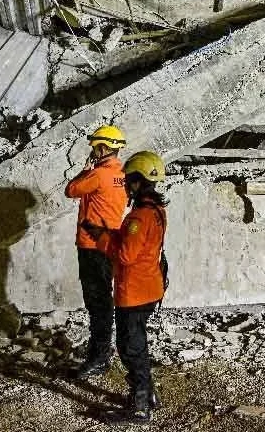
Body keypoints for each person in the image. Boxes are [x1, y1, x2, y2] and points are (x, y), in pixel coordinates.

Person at [98, 149, 168, 423]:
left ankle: (140, 407)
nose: (125, 184)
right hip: (150, 288)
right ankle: (147, 393)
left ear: (138, 182)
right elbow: (138, 245)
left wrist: (103, 240)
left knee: (130, 347)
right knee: (136, 342)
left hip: (134, 292)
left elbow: (126, 255)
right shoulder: (156, 210)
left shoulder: (139, 217)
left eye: (128, 180)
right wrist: (113, 234)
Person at [64, 124, 128, 378]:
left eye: (94, 147)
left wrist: (87, 167)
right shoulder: (123, 174)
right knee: (104, 299)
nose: (93, 151)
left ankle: (99, 358)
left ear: (102, 148)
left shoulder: (98, 174)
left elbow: (71, 190)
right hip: (110, 243)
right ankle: (102, 353)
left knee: (97, 303)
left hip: (91, 246)